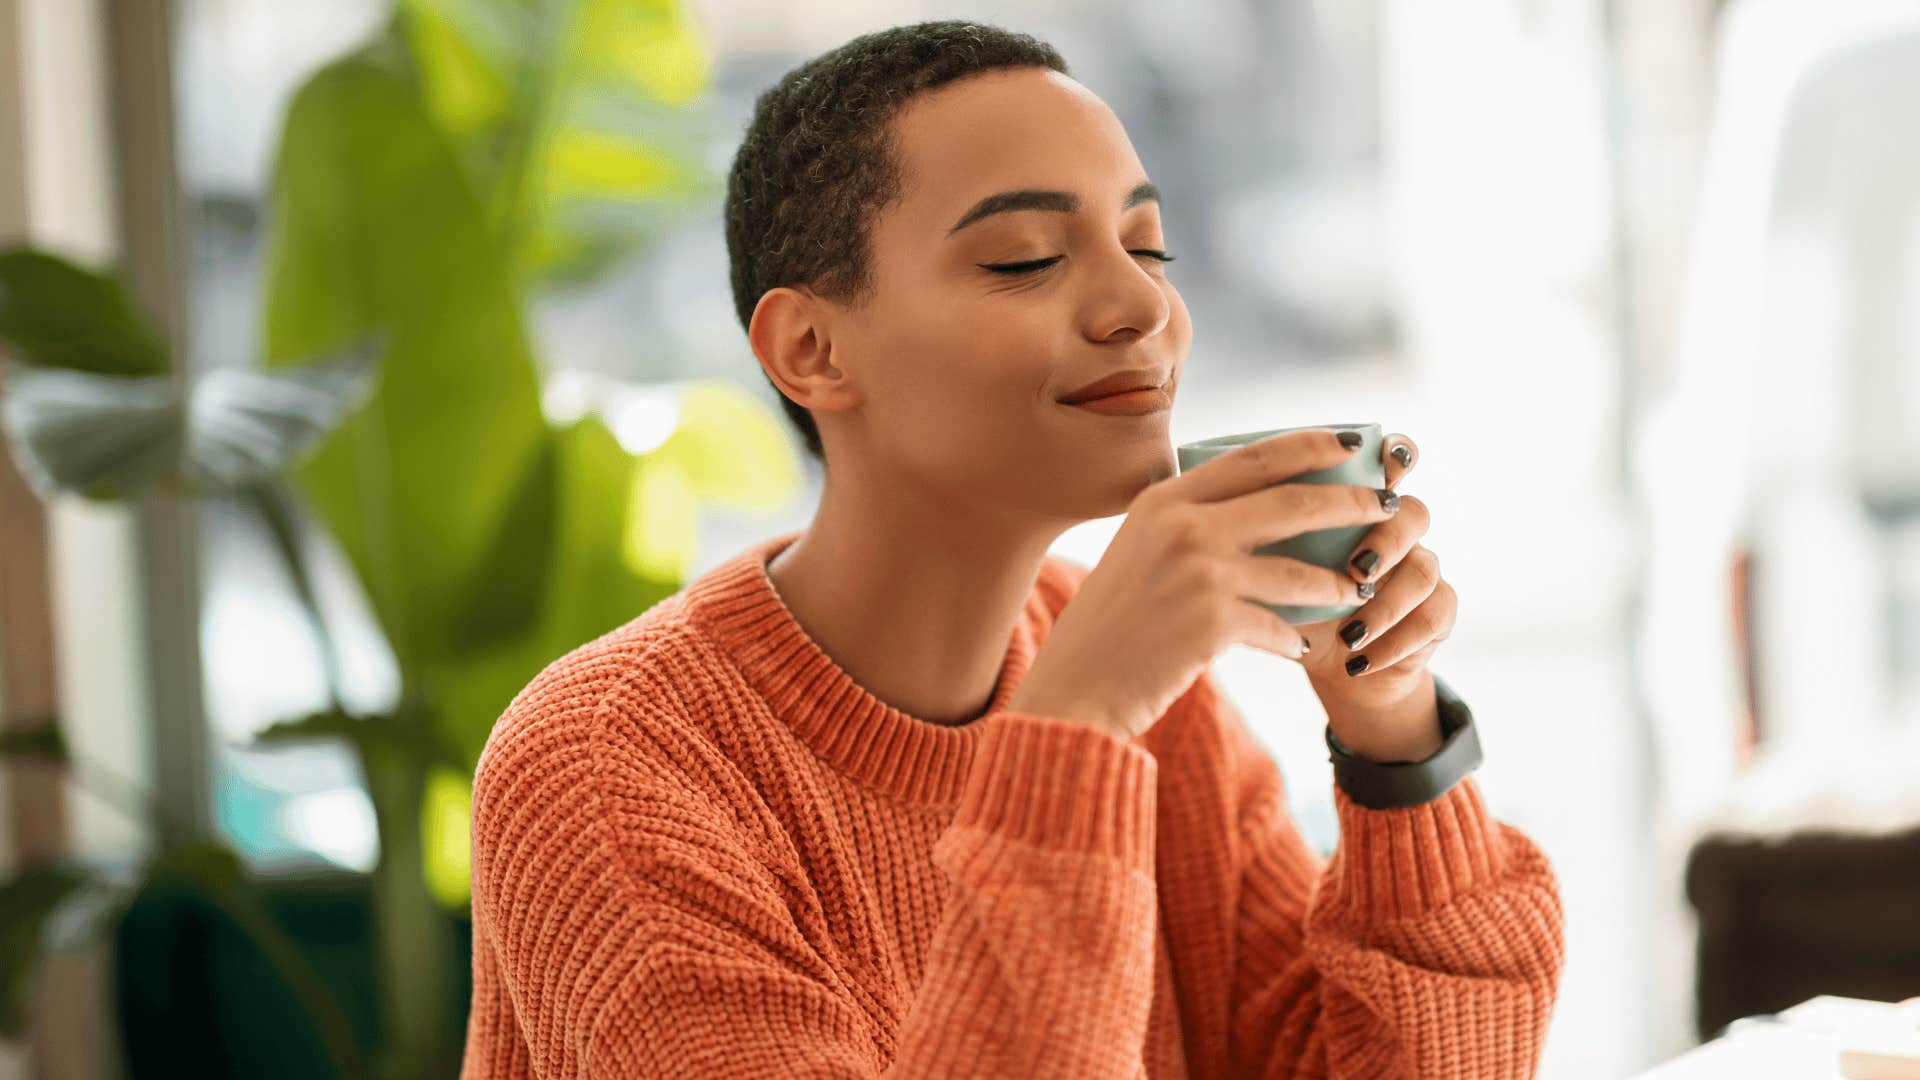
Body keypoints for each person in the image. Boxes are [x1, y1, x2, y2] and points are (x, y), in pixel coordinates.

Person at [461, 19, 1565, 1078]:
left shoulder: (1160, 712)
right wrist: (1074, 730)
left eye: (1149, 244)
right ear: (811, 349)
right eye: (1026, 259)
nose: (1145, 304)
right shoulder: (607, 769)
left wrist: (1393, 742)